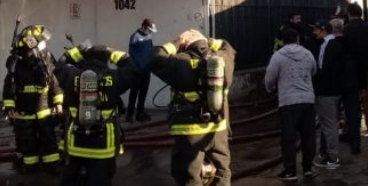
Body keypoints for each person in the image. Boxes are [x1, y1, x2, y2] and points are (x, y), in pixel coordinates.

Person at [151, 29, 235, 186]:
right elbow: (227, 45)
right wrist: (209, 41)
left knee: (189, 175)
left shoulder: (179, 61)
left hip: (190, 132)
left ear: (185, 45)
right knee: (222, 171)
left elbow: (154, 58)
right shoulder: (225, 57)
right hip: (218, 129)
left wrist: (176, 43)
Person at [57, 43, 135, 186]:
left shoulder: (72, 75)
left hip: (76, 143)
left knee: (70, 180)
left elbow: (60, 64)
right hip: (103, 145)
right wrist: (113, 53)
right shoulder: (114, 77)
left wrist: (79, 51)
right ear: (106, 59)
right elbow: (131, 67)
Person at [3, 24, 63, 174]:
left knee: (47, 137)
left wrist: (58, 102)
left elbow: (53, 82)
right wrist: (9, 107)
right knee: (27, 139)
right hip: (26, 109)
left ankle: (50, 164)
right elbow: (9, 85)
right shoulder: (16, 63)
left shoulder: (44, 59)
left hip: (41, 108)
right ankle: (31, 165)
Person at [265, 29, 317, 182]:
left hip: (288, 101)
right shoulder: (308, 54)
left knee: (289, 137)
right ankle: (308, 168)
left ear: (283, 41)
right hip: (308, 99)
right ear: (298, 39)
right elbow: (314, 71)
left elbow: (269, 78)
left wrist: (271, 89)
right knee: (308, 136)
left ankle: (290, 170)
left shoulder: (278, 56)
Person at [342, 2, 368, 147]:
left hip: (350, 71)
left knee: (350, 102)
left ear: (349, 13)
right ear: (361, 13)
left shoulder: (345, 30)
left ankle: (350, 131)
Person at [312, 19, 346, 170]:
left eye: (316, 30)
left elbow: (323, 69)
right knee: (329, 124)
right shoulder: (336, 45)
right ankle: (329, 155)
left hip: (328, 91)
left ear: (324, 31)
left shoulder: (328, 46)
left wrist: (317, 86)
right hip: (335, 90)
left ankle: (333, 158)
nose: (314, 33)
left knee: (329, 125)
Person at [127, 18, 157, 123]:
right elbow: (132, 53)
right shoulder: (135, 37)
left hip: (146, 70)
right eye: (149, 30)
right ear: (144, 27)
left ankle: (140, 113)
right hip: (137, 71)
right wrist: (139, 66)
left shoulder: (149, 36)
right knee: (134, 93)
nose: (150, 32)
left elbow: (150, 50)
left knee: (143, 93)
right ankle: (129, 115)